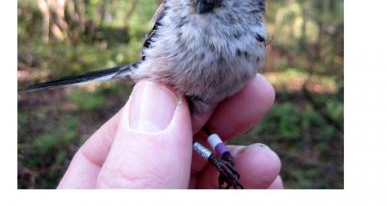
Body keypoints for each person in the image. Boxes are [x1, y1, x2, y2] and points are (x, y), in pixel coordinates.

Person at [57, 74, 283, 189]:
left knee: (201, 130)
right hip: (177, 110)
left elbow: (200, 133)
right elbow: (190, 137)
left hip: (202, 124)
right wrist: (215, 158)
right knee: (188, 131)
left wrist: (221, 155)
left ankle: (219, 156)